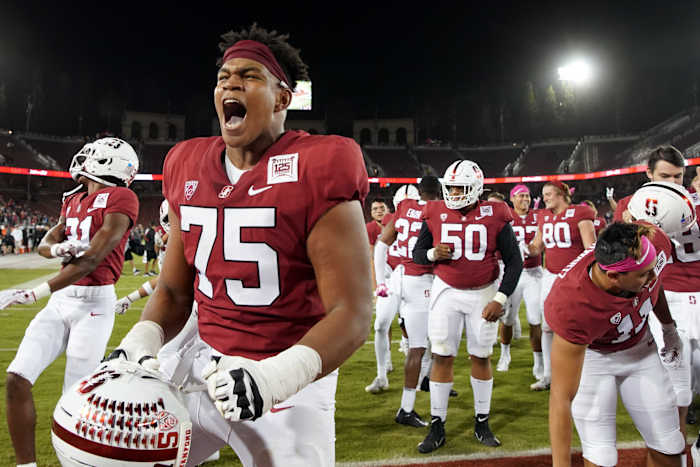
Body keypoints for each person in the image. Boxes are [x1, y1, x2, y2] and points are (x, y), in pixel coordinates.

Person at [106, 24, 371, 467]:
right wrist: (140, 339)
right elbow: (173, 290)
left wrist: (274, 378)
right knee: (118, 455)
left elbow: (353, 312)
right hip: (200, 364)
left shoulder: (321, 163)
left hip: (289, 380)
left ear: (283, 98)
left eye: (248, 75)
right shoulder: (187, 162)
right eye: (224, 76)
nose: (230, 82)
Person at [1, 137, 139, 467]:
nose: (84, 158)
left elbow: (91, 260)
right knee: (16, 379)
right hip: (61, 302)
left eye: (93, 155)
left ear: (107, 164)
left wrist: (35, 292)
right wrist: (57, 249)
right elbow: (48, 241)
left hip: (93, 305)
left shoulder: (122, 197)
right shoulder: (75, 198)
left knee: (75, 400)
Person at [548, 222, 684, 467]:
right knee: (601, 455)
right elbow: (560, 397)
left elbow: (655, 285)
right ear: (613, 276)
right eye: (644, 273)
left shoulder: (649, 245)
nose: (653, 276)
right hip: (594, 359)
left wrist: (668, 327)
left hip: (641, 348)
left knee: (670, 443)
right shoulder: (573, 304)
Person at [412, 160, 523, 452]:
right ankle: (437, 424)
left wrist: (500, 298)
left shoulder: (496, 212)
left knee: (481, 356)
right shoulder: (434, 211)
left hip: (483, 292)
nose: (454, 193)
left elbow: (515, 261)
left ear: (475, 188)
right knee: (442, 356)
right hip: (446, 290)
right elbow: (417, 254)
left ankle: (482, 420)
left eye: (460, 187)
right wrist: (432, 253)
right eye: (450, 187)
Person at [372, 176, 440, 427]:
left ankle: (419, 392)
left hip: (399, 276)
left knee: (417, 342)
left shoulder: (405, 206)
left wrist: (380, 281)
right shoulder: (439, 210)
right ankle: (410, 406)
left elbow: (381, 244)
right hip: (421, 280)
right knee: (426, 345)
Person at [526, 180, 596, 390]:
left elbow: (591, 249)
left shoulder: (580, 213)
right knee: (547, 326)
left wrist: (584, 278)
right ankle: (548, 375)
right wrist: (522, 247)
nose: (544, 198)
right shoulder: (543, 217)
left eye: (548, 194)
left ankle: (585, 374)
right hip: (550, 276)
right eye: (544, 194)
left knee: (579, 326)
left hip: (575, 278)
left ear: (562, 195)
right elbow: (537, 247)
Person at [497, 184, 543, 380]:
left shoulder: (539, 216)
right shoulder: (506, 217)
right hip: (513, 272)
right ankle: (504, 354)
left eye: (528, 196)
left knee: (535, 318)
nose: (525, 199)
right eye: (521, 196)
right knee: (507, 318)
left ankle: (539, 362)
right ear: (512, 199)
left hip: (534, 272)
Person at [613, 146, 685, 221]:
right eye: (665, 176)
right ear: (650, 173)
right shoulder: (626, 204)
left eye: (677, 176)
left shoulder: (693, 199)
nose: (672, 182)